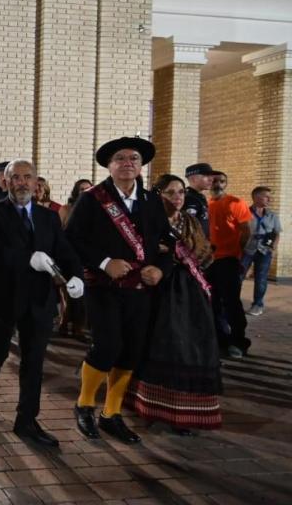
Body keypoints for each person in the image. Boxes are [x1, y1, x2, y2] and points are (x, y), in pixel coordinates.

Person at [0, 159, 82, 447]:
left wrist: (76, 275)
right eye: (15, 178)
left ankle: (27, 420)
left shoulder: (48, 218)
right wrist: (26, 258)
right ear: (6, 182)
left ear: (36, 182)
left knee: (34, 361)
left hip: (39, 300)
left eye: (27, 177)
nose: (21, 183)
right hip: (3, 297)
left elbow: (65, 251)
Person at [65, 136, 170, 444]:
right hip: (104, 288)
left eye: (133, 159)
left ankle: (111, 414)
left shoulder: (152, 201)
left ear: (141, 166)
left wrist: (160, 268)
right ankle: (84, 404)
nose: (127, 164)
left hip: (141, 289)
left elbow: (167, 243)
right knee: (107, 346)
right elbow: (71, 239)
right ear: (109, 166)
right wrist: (104, 261)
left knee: (131, 351)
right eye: (120, 159)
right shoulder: (94, 198)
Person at [130, 174, 221, 434]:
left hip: (187, 294)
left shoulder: (190, 221)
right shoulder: (147, 222)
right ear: (157, 195)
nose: (177, 197)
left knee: (186, 347)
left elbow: (205, 253)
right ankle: (148, 407)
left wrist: (184, 255)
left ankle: (180, 413)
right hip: (157, 290)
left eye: (181, 192)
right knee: (154, 345)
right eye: (170, 192)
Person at [207, 171, 253, 358]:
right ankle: (220, 340)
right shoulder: (205, 205)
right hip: (208, 262)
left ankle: (238, 342)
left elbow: (246, 231)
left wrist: (237, 255)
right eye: (214, 180)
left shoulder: (236, 203)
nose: (217, 184)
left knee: (231, 302)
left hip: (228, 260)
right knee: (212, 303)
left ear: (226, 184)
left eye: (222, 181)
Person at [58, 179, 93, 339]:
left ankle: (78, 328)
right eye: (82, 189)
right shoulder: (66, 209)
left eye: (88, 189)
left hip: (87, 257)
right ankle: (64, 323)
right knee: (69, 292)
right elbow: (59, 233)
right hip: (68, 256)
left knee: (83, 295)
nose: (85, 192)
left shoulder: (95, 209)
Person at [242, 186, 281, 317]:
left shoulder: (272, 215)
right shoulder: (245, 213)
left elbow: (277, 233)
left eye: (270, 196)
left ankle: (257, 305)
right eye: (266, 196)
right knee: (238, 277)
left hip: (264, 251)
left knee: (261, 279)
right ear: (256, 197)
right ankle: (231, 303)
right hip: (247, 249)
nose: (269, 199)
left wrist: (273, 248)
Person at [184, 163, 220, 238]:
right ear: (193, 179)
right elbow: (187, 228)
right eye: (206, 176)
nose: (211, 179)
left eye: (211, 176)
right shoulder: (189, 199)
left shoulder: (199, 197)